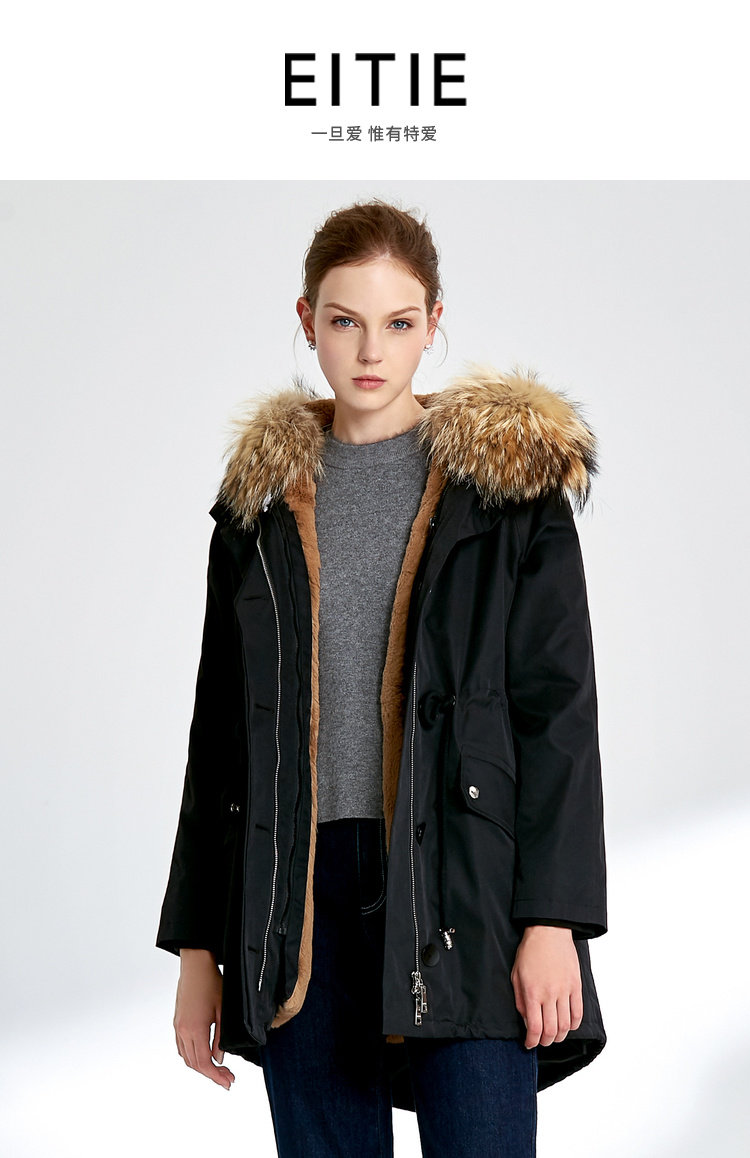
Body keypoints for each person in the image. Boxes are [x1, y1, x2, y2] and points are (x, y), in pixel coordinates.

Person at [156, 198, 608, 1157]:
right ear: (307, 320)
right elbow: (220, 737)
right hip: (297, 898)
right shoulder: (257, 512)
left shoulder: (509, 492)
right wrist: (199, 950)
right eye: (344, 321)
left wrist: (554, 920)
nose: (371, 351)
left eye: (399, 323)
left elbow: (557, 715)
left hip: (464, 890)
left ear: (434, 323)